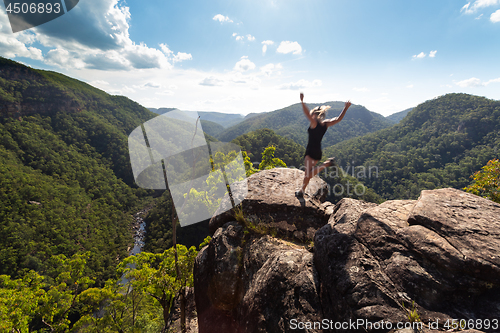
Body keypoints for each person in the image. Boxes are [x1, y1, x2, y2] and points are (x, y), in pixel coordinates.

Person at [295, 92, 351, 197]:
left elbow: (307, 114)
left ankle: (326, 164)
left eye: (312, 114)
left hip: (310, 151)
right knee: (308, 175)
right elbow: (338, 119)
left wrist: (302, 102)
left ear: (315, 115)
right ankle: (301, 191)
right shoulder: (325, 124)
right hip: (318, 152)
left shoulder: (314, 122)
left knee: (307, 174)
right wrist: (345, 108)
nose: (311, 115)